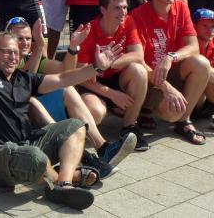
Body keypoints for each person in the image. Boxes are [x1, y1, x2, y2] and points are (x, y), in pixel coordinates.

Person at [0, 28, 122, 210]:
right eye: (7, 52)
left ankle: (63, 184)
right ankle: (66, 178)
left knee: (75, 126)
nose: (13, 57)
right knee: (34, 157)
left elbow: (62, 78)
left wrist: (96, 67)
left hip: (25, 146)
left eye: (16, 52)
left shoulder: (24, 79)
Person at [10, 17, 137, 175]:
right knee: (34, 100)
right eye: (20, 38)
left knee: (67, 88)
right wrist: (39, 46)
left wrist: (73, 47)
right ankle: (83, 156)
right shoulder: (5, 61)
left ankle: (103, 148)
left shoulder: (33, 58)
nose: (25, 42)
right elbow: (22, 86)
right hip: (23, 120)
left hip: (40, 115)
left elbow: (66, 72)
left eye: (29, 38)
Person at [130, 0, 211, 144]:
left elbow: (193, 47)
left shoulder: (181, 7)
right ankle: (145, 109)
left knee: (201, 63)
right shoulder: (137, 15)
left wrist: (170, 57)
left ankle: (185, 121)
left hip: (171, 71)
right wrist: (166, 88)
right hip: (149, 80)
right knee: (173, 113)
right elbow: (137, 60)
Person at [75, 0, 150, 151]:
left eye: (125, 7)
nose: (123, 12)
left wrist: (108, 64)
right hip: (93, 82)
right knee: (95, 113)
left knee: (139, 71)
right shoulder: (88, 31)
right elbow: (79, 76)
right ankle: (95, 118)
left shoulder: (128, 21)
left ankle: (129, 126)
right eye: (117, 8)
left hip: (115, 76)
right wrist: (112, 94)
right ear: (103, 10)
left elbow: (138, 55)